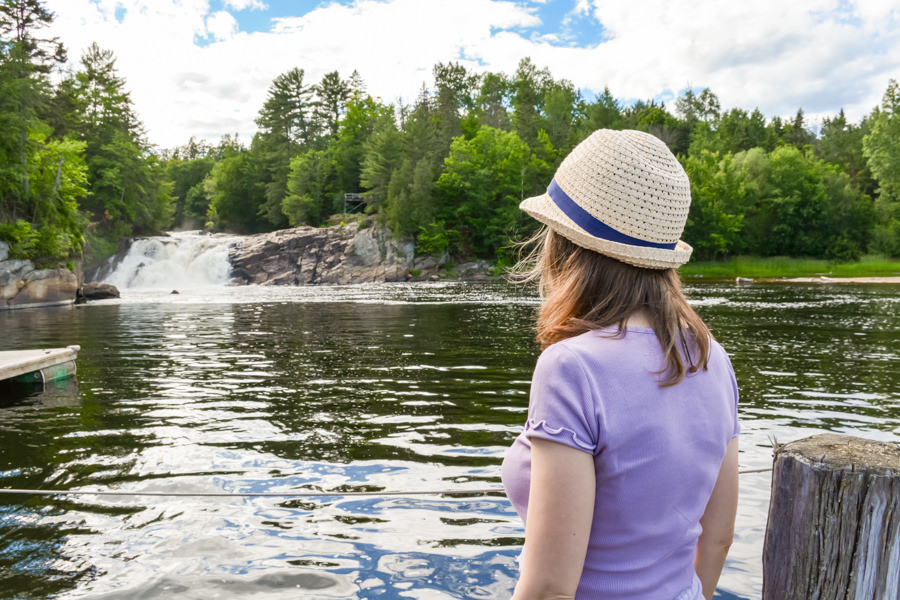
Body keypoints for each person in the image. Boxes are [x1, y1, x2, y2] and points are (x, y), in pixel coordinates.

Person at [501, 129, 740, 600]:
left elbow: (550, 588)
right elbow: (717, 538)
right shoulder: (712, 357)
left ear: (564, 247)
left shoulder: (570, 368)